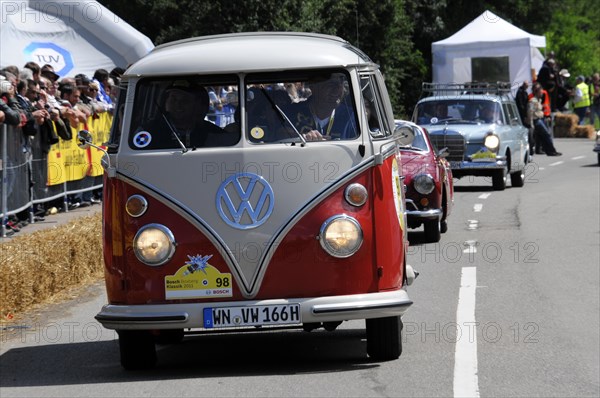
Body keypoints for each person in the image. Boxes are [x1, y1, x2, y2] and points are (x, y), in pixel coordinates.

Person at [137, 80, 237, 149]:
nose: (178, 104)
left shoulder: (213, 133)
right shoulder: (150, 131)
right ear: (165, 102)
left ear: (198, 106)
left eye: (185, 100)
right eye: (174, 99)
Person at [284, 73, 357, 141]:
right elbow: (280, 138)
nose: (337, 90)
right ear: (313, 86)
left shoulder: (351, 116)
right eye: (331, 84)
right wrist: (301, 139)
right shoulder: (291, 112)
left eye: (340, 84)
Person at [528, 83, 561, 156]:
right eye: (540, 92)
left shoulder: (538, 100)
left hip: (540, 119)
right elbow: (530, 113)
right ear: (536, 92)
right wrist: (531, 124)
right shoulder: (533, 101)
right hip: (536, 120)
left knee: (542, 137)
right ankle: (552, 151)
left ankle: (548, 150)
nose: (542, 93)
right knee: (547, 134)